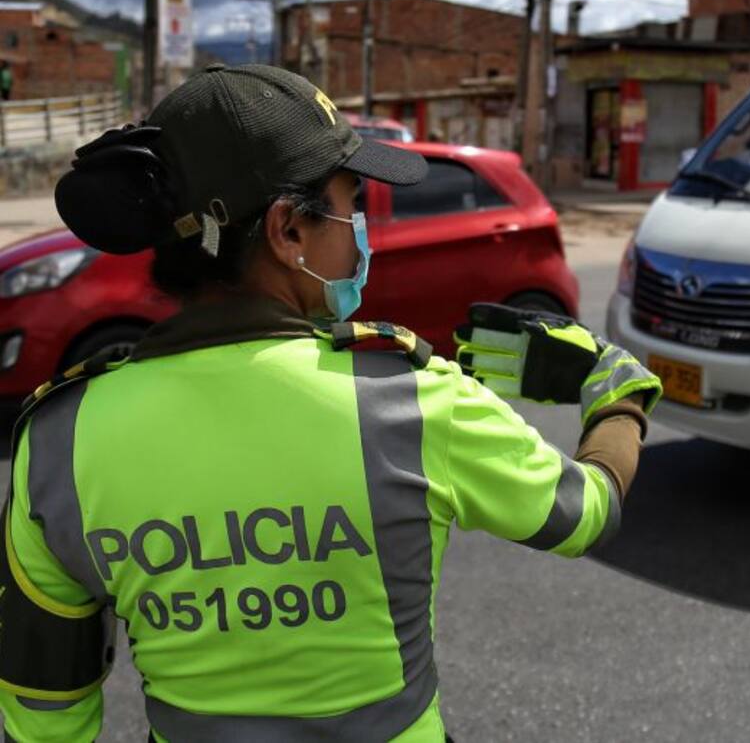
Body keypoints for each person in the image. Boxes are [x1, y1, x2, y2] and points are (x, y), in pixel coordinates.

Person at [0, 64, 662, 742]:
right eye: (352, 205)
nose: (360, 232)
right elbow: (586, 513)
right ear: (289, 230)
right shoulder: (408, 399)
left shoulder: (58, 441)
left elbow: (43, 709)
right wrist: (618, 393)